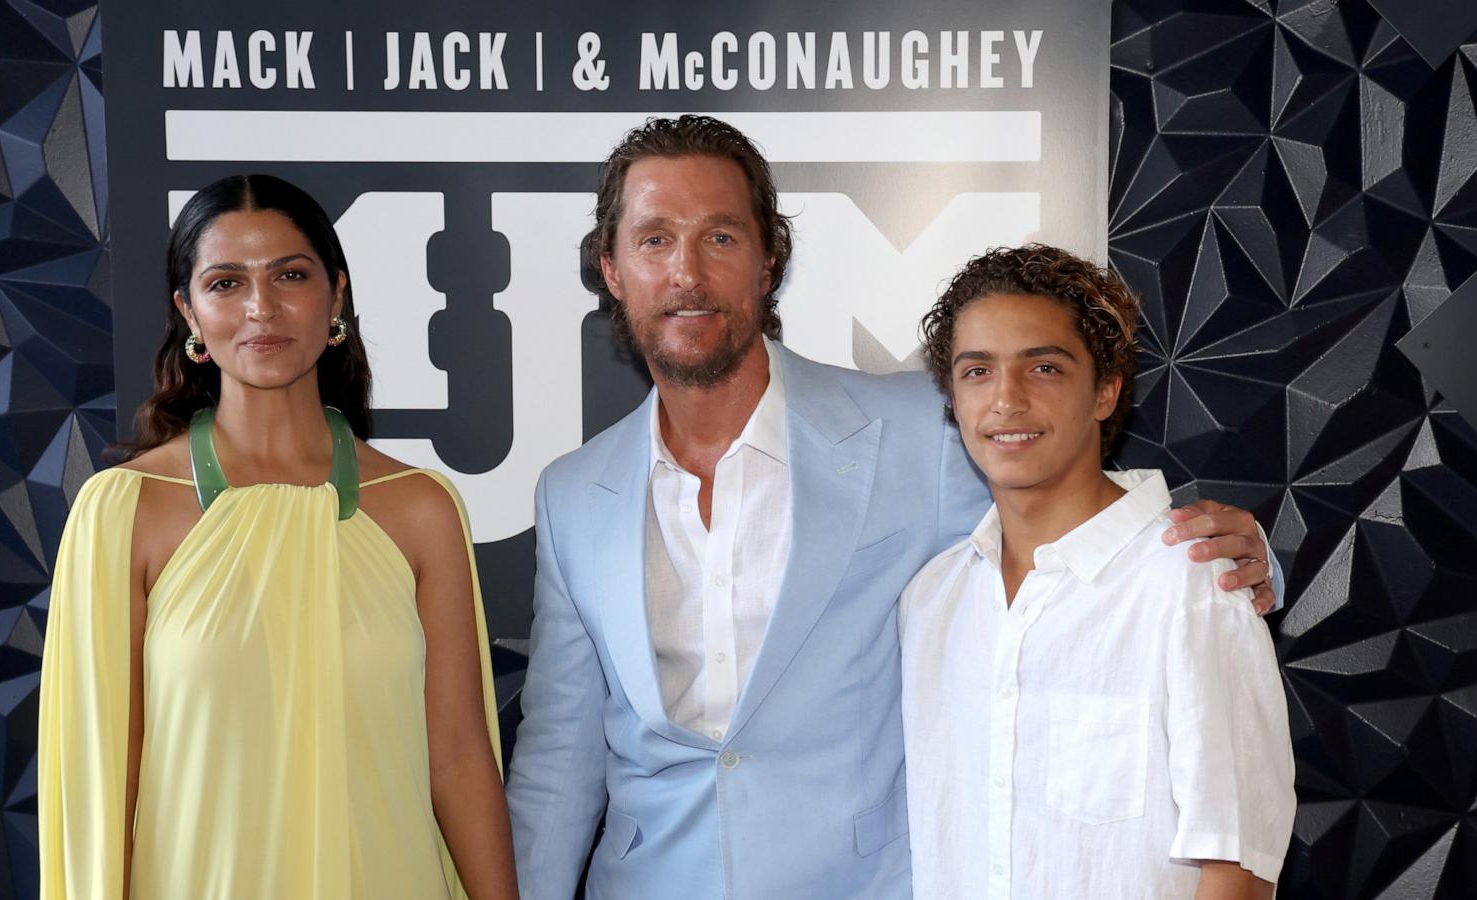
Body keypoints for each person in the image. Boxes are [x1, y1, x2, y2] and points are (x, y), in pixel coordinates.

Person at [504, 115, 1283, 898]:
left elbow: (1053, 483)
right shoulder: (574, 496)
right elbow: (557, 766)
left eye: (721, 238)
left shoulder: (917, 427)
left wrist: (1223, 560)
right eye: (654, 240)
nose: (687, 273)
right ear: (610, 268)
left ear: (769, 259)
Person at [37, 174, 518, 900]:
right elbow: (105, 779)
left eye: (290, 275)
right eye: (226, 283)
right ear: (188, 313)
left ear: (337, 296)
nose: (262, 308)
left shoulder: (421, 508)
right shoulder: (124, 511)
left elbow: (457, 757)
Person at [900, 244, 1295, 898]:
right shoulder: (931, 602)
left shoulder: (1191, 581)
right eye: (977, 371)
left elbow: (1239, 869)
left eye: (1045, 367)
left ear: (1106, 390)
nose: (1006, 400)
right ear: (951, 397)